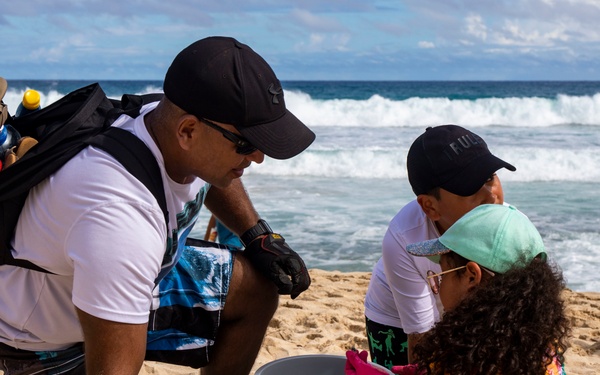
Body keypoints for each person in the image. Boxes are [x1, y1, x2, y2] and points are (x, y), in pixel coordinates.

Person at [0, 36, 316, 375]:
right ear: (188, 131)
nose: (258, 157)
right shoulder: (121, 218)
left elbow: (212, 174)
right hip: (43, 343)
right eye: (246, 144)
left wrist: (257, 236)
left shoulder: (159, 118)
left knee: (255, 290)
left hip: (120, 276)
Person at [363, 125, 516, 368]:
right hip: (396, 320)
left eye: (490, 177)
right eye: (470, 188)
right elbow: (421, 340)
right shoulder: (404, 239)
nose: (492, 196)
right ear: (430, 206)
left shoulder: (511, 225)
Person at [394, 204, 569, 374]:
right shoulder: (545, 351)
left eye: (442, 274)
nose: (439, 285)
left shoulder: (457, 359)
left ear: (471, 276)